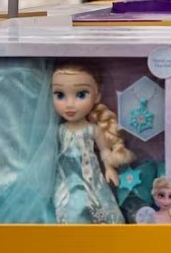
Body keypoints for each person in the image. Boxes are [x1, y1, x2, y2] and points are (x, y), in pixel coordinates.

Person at [51, 62, 134, 224]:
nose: (69, 104)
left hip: (90, 175)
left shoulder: (92, 129)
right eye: (60, 95)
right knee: (68, 202)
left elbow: (104, 150)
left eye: (81, 94)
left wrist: (109, 168)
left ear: (97, 96)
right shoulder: (59, 130)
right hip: (66, 175)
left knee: (95, 200)